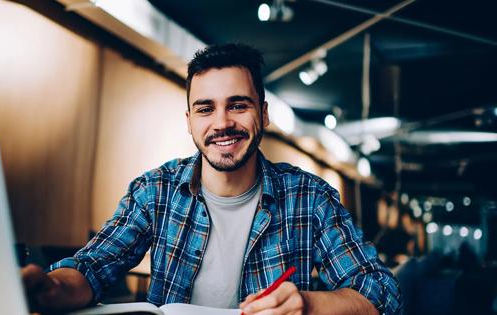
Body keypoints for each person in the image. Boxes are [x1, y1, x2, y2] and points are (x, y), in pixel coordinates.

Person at [22, 43, 402, 315]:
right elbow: (93, 267)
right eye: (206, 109)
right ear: (189, 121)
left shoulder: (310, 197)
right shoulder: (155, 191)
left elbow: (383, 295)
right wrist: (51, 288)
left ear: (264, 114)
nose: (222, 123)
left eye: (238, 105)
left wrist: (308, 304)